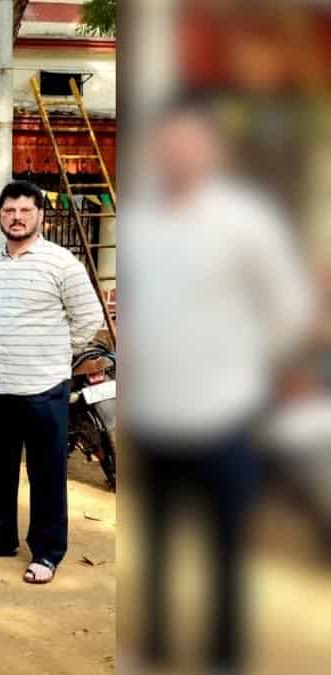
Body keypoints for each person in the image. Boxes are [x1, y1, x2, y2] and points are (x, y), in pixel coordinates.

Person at [121, 100, 314, 670]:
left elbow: (289, 310)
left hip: (226, 418)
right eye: (169, 142)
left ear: (214, 151)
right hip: (155, 420)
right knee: (153, 551)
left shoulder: (247, 221)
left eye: (191, 142)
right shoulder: (139, 222)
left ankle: (223, 658)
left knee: (226, 552)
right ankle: (154, 651)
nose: (178, 153)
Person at [0, 180, 103, 584]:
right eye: (9, 211)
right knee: (0, 468)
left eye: (25, 210)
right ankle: (2, 537)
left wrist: (54, 353)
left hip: (43, 388)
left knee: (46, 472)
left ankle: (47, 551)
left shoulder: (62, 263)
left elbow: (89, 318)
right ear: (0, 215)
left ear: (40, 214)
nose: (17, 217)